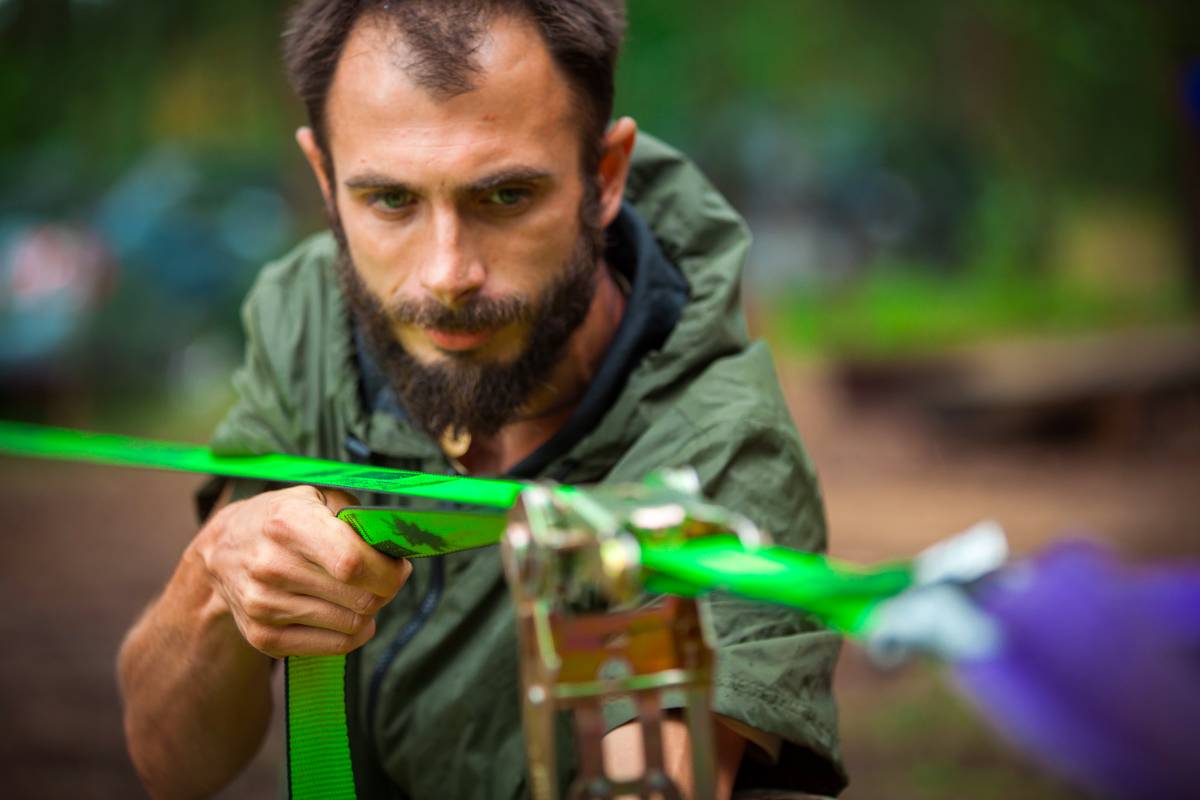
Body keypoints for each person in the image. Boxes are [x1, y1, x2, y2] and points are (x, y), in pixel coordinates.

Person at [117, 1, 846, 797]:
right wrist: (215, 575)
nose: (447, 276)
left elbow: (646, 778)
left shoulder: (718, 460)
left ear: (604, 177)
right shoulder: (308, 321)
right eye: (390, 200)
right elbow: (171, 765)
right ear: (326, 180)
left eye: (504, 197)